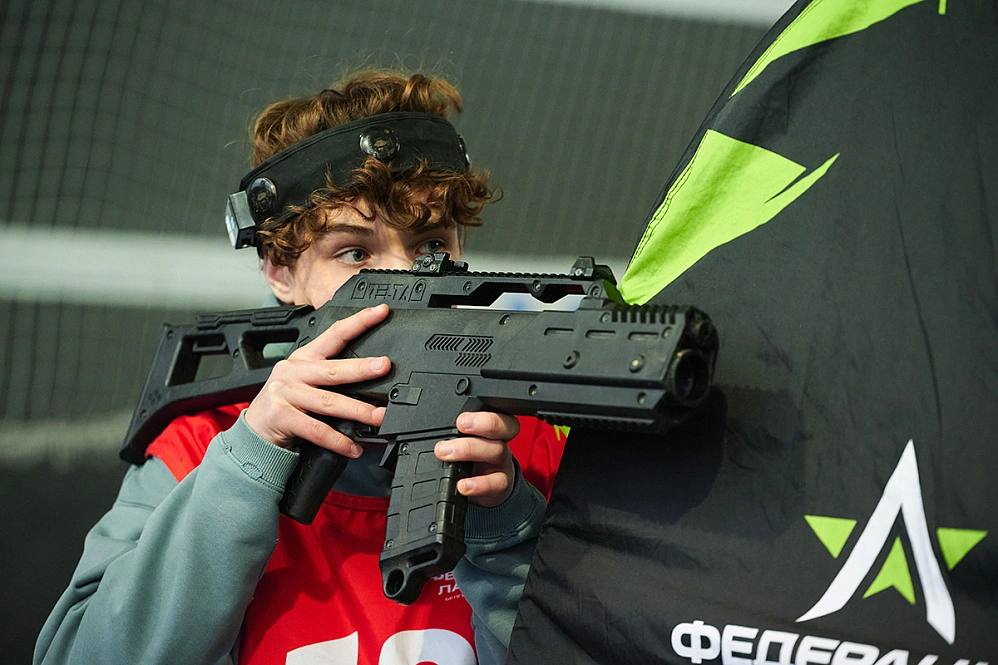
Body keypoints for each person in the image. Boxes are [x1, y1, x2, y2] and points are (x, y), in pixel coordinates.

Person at [34, 70, 566, 665]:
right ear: (279, 271)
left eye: (431, 246)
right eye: (354, 252)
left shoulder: (524, 451)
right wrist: (251, 459)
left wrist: (504, 531)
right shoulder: (200, 448)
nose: (404, 279)